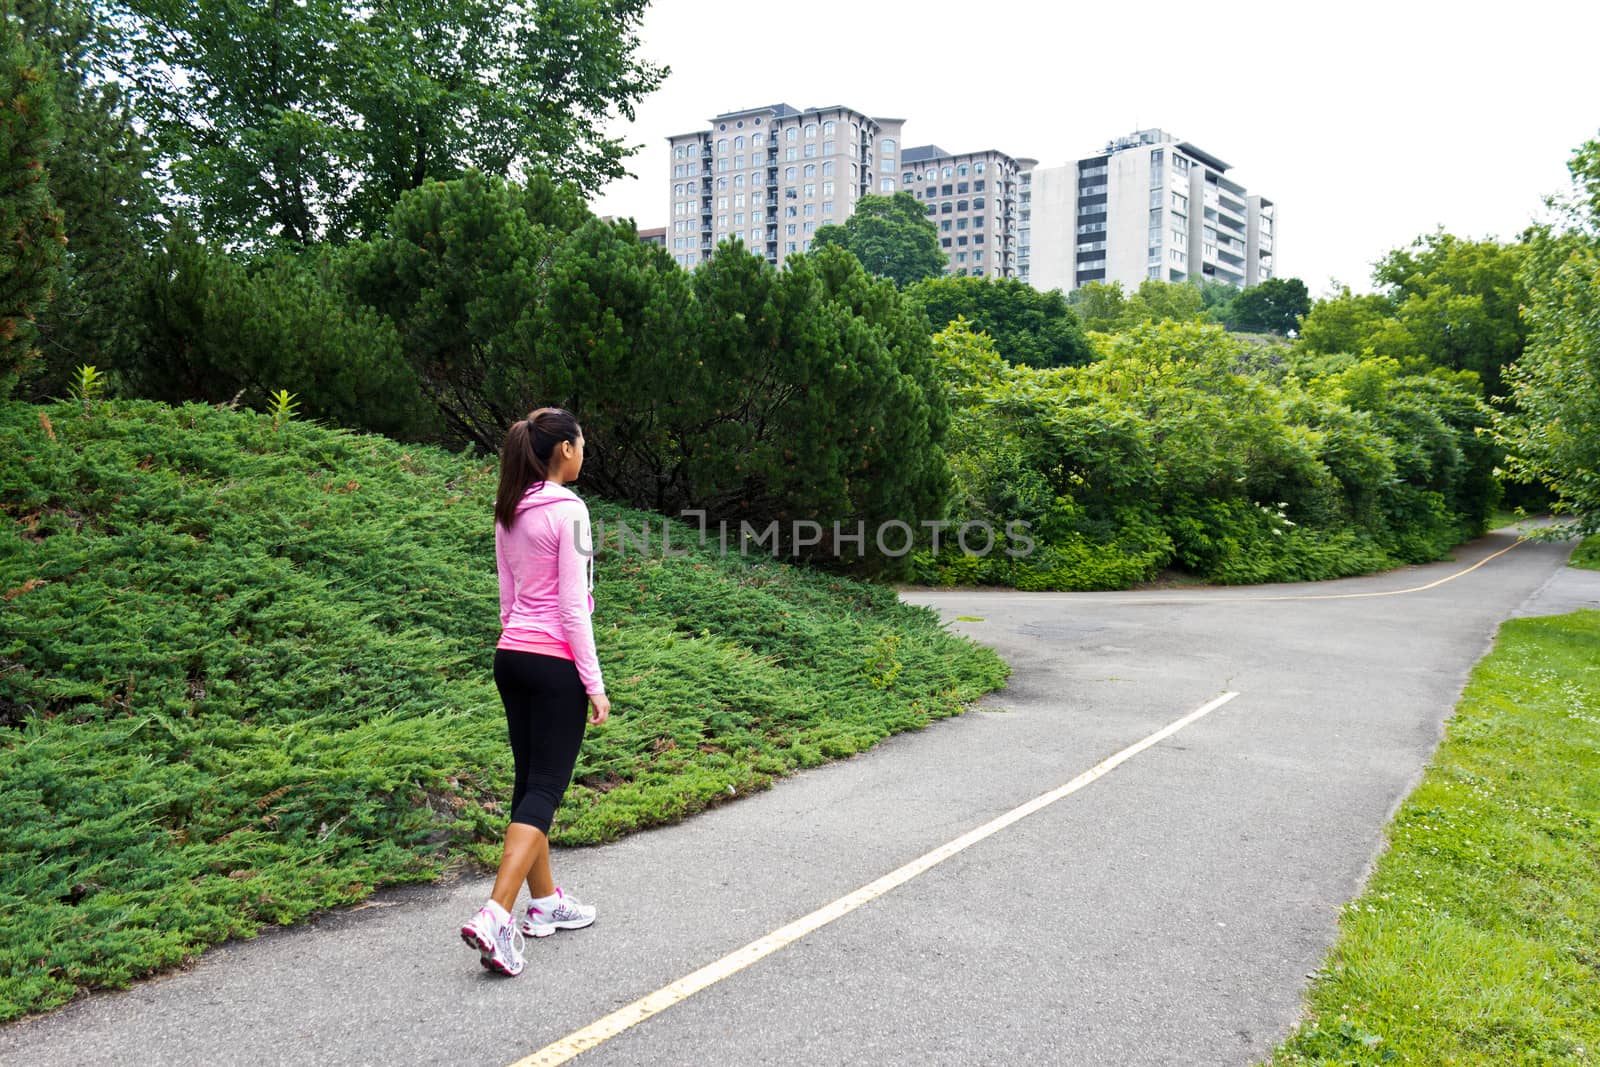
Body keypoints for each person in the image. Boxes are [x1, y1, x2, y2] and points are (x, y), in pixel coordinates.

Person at [459, 407, 611, 977]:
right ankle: (497, 915)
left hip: (512, 657)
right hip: (553, 665)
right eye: (581, 443)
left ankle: (545, 904)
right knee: (546, 788)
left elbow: (507, 594)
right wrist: (593, 684)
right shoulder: (570, 510)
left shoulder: (509, 508)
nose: (583, 451)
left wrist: (517, 643)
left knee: (529, 786)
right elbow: (574, 607)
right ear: (565, 450)